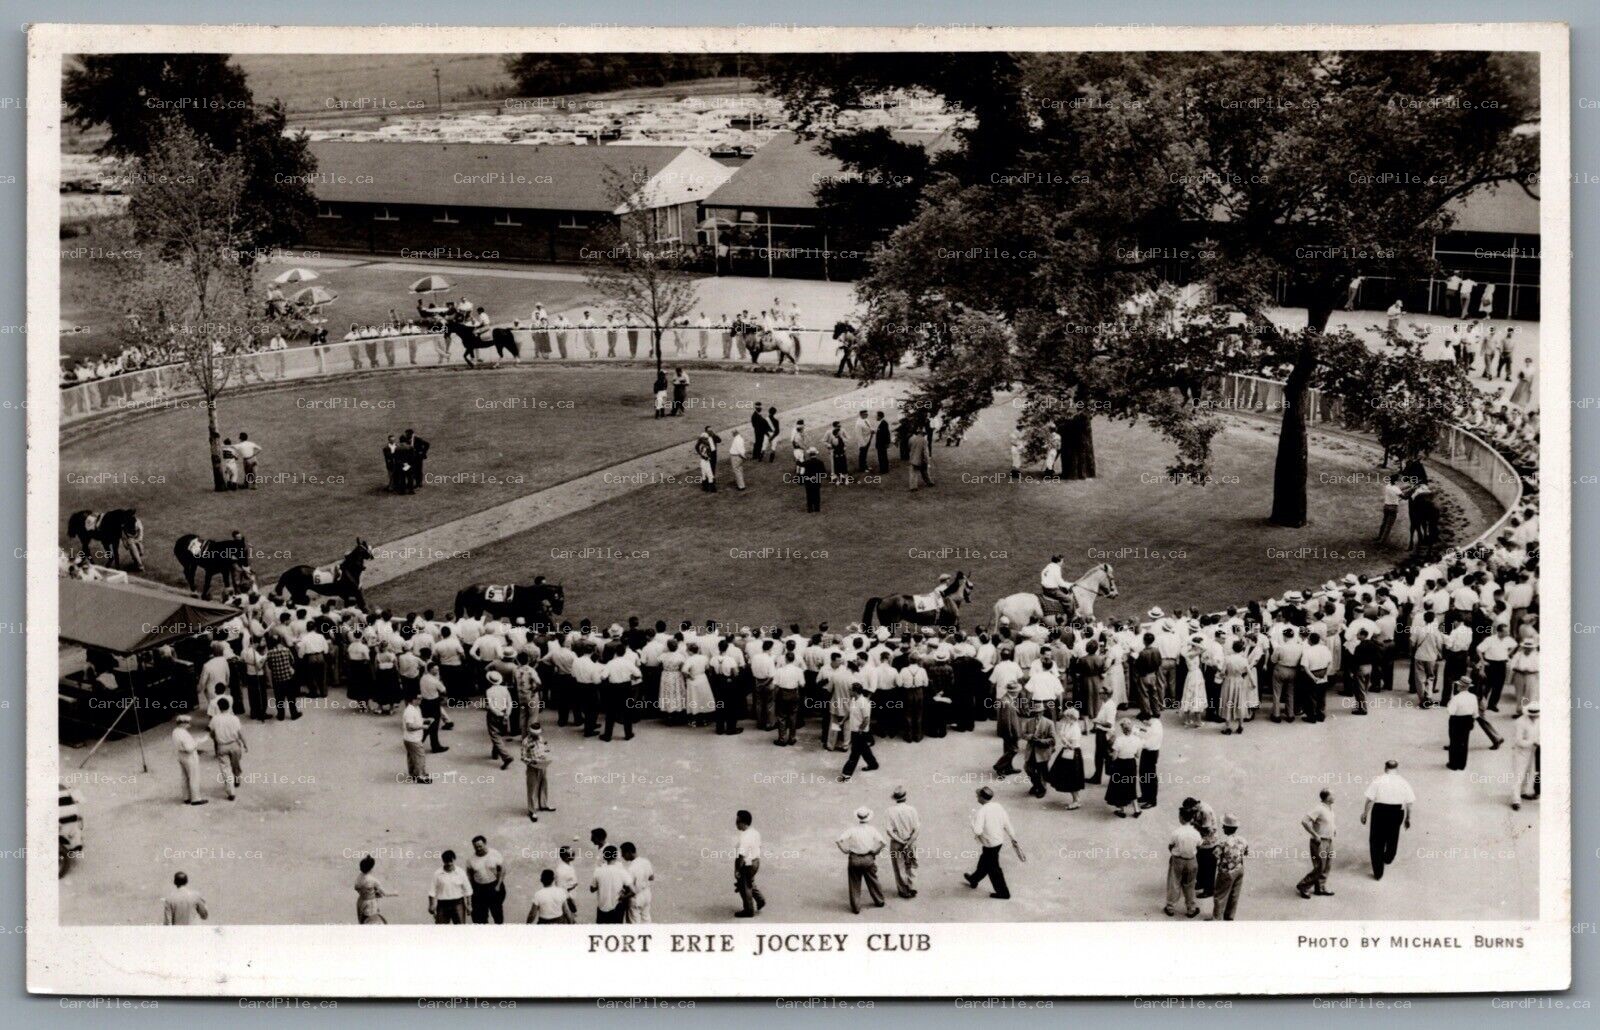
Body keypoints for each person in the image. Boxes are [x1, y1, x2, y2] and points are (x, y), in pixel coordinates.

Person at [1361, 759, 1415, 880]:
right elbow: (1410, 803)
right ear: (1397, 769)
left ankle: (1378, 872)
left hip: (1380, 811)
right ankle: (1389, 857)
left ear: (1385, 768)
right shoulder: (1403, 782)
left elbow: (1370, 799)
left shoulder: (1378, 780)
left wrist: (1365, 813)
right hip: (1396, 812)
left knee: (1376, 841)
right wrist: (1408, 818)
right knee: (1392, 836)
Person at [965, 786, 1020, 899]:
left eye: (978, 795)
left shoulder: (981, 812)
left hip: (989, 844)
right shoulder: (998, 806)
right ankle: (973, 879)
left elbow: (977, 830)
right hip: (998, 842)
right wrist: (1013, 837)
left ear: (981, 798)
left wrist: (972, 823)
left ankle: (1003, 893)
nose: (976, 797)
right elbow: (1007, 823)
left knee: (993, 869)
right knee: (984, 862)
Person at [836, 807, 889, 914]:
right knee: (873, 881)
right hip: (868, 858)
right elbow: (883, 843)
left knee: (854, 883)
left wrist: (845, 850)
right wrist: (875, 852)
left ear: (858, 818)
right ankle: (879, 901)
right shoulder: (872, 829)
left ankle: (856, 907)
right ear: (868, 818)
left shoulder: (852, 829)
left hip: (854, 858)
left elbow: (838, 840)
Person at [1296, 789, 1336, 899]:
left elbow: (1328, 823)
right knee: (1320, 866)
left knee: (1327, 865)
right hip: (1320, 842)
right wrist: (1315, 835)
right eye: (1332, 794)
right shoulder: (1319, 808)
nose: (1334, 796)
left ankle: (1320, 888)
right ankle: (1303, 886)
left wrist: (1334, 830)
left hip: (1329, 840)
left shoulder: (1330, 809)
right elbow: (1304, 821)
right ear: (1327, 797)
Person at [1165, 808, 1202, 918]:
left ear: (1181, 817)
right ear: (1191, 818)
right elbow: (1199, 845)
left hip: (1177, 860)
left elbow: (1170, 845)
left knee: (1174, 883)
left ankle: (1170, 907)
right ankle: (1191, 908)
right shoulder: (1196, 833)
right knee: (1190, 885)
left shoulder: (1176, 832)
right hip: (1191, 860)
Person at [884, 786, 920, 899]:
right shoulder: (912, 810)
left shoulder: (889, 811)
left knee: (898, 866)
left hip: (897, 842)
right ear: (905, 797)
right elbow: (917, 829)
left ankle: (903, 890)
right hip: (911, 840)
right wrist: (908, 843)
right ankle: (912, 886)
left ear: (895, 798)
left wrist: (901, 841)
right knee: (912, 864)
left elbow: (889, 831)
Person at [1210, 815, 1247, 921]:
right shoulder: (1242, 840)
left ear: (1227, 828)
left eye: (1224, 826)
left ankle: (1216, 919)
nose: (1222, 828)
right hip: (1239, 869)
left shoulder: (1223, 843)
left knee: (1220, 897)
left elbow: (1215, 855)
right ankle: (1229, 916)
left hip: (1226, 872)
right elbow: (1245, 852)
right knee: (1234, 895)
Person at [208, 697, 246, 801]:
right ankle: (237, 778)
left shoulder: (215, 719)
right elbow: (239, 733)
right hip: (234, 745)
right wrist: (245, 744)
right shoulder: (234, 718)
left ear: (219, 707)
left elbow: (211, 733)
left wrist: (215, 737)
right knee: (236, 764)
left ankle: (231, 792)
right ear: (229, 706)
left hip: (222, 746)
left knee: (225, 769)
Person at [839, 683, 878, 781]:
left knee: (854, 753)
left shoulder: (863, 703)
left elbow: (866, 719)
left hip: (860, 732)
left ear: (855, 691)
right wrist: (843, 721)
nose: (849, 691)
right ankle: (873, 764)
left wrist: (860, 730)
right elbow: (849, 712)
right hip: (855, 730)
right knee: (864, 750)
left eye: (850, 690)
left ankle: (846, 773)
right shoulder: (853, 699)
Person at [466, 835, 507, 925]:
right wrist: (472, 888)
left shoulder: (494, 854)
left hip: (494, 886)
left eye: (480, 846)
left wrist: (498, 885)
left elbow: (502, 869)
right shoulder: (471, 859)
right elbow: (469, 874)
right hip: (479, 888)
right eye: (476, 847)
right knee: (480, 916)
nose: (478, 848)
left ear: (485, 844)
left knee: (497, 913)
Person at [734, 809, 766, 918]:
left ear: (743, 823)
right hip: (756, 862)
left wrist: (737, 870)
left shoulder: (744, 837)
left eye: (737, 821)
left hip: (747, 864)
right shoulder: (754, 832)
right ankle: (760, 899)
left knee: (744, 887)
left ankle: (749, 910)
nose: (736, 823)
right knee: (750, 881)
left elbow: (741, 856)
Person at [171, 714, 208, 806]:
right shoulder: (183, 733)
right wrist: (197, 742)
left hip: (180, 755)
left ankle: (186, 797)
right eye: (188, 722)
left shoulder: (175, 731)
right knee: (193, 777)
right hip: (189, 756)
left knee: (184, 777)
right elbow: (189, 748)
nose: (190, 724)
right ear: (183, 723)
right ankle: (196, 799)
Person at [1510, 704, 1540, 810]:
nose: (1535, 716)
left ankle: (1523, 792)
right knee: (1519, 774)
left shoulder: (1538, 721)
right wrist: (1533, 742)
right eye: (1533, 714)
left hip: (1532, 751)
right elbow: (1518, 741)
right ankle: (1515, 800)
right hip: (1521, 752)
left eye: (1537, 714)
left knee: (1529, 773)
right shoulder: (1520, 722)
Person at [1445, 677, 1479, 770]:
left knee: (1454, 742)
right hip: (1468, 720)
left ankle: (1453, 764)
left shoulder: (1456, 698)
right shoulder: (1473, 697)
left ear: (1460, 686)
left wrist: (1449, 703)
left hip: (1456, 720)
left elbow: (1450, 711)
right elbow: (1475, 712)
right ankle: (1462, 764)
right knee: (1464, 742)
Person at [522, 723, 554, 821]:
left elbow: (546, 748)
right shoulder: (526, 742)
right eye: (534, 734)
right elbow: (523, 757)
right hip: (532, 766)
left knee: (544, 784)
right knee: (532, 788)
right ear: (530, 733)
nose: (537, 736)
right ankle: (532, 810)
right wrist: (531, 761)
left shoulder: (541, 738)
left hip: (542, 764)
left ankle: (543, 804)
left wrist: (546, 755)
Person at [429, 850, 471, 924]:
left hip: (458, 904)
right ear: (443, 861)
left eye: (450, 861)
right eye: (446, 861)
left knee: (460, 929)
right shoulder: (437, 873)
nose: (449, 863)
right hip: (442, 904)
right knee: (440, 929)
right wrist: (431, 905)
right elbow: (432, 891)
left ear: (454, 860)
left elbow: (468, 890)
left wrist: (469, 905)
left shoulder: (460, 872)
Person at [590, 845, 629, 923]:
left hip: (602, 907)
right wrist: (623, 896)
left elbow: (592, 889)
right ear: (616, 856)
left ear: (604, 857)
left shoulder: (598, 871)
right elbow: (632, 889)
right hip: (617, 907)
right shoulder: (621, 870)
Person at [401, 695, 432, 784]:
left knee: (412, 757)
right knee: (420, 756)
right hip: (413, 739)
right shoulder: (410, 711)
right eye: (418, 698)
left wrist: (425, 720)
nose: (421, 700)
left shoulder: (416, 708)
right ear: (413, 700)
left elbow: (417, 720)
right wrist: (423, 726)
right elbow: (409, 727)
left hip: (409, 738)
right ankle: (420, 776)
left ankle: (413, 774)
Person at [621, 842, 654, 923]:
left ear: (629, 852)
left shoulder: (631, 868)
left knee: (634, 925)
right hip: (646, 895)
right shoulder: (645, 861)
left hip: (636, 899)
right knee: (646, 920)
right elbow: (651, 877)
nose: (622, 856)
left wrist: (623, 897)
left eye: (623, 853)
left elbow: (631, 890)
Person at [354, 855, 390, 924]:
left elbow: (356, 888)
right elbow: (384, 894)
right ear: (371, 869)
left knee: (362, 921)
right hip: (370, 904)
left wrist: (365, 892)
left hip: (361, 902)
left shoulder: (359, 877)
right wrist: (395, 893)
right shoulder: (373, 880)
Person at [1377, 474, 1403, 543]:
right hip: (1393, 508)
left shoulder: (1387, 486)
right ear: (1396, 481)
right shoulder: (1396, 488)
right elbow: (1403, 496)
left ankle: (1379, 536)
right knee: (1388, 526)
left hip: (1386, 506)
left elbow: (1399, 491)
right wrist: (1412, 489)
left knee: (1384, 523)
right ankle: (1382, 541)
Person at [801, 447, 828, 514]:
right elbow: (824, 473)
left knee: (809, 494)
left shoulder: (806, 463)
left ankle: (810, 509)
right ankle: (817, 508)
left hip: (808, 481)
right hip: (817, 480)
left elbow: (802, 473)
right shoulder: (820, 462)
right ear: (816, 454)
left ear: (809, 455)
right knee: (816, 494)